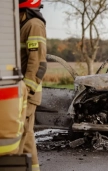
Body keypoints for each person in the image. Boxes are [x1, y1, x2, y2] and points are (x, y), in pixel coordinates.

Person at [18, 0, 47, 170]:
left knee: (21, 134)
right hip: (21, 92)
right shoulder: (22, 24)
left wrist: (26, 91)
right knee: (26, 135)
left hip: (27, 93)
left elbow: (37, 65)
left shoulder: (34, 25)